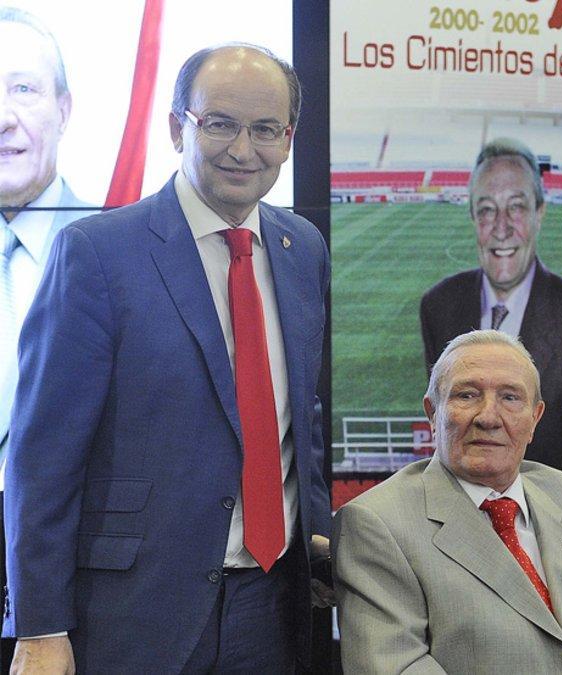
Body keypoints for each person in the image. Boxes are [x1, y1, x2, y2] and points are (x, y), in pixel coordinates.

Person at [3, 44, 333, 672]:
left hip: (273, 610)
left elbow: (299, 421)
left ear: (289, 140)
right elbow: (42, 458)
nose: (243, 149)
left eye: (265, 129)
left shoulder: (303, 248)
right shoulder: (96, 254)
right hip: (134, 614)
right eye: (220, 124)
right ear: (178, 125)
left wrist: (314, 541)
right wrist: (40, 626)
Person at [334, 329, 562, 673]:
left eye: (510, 398)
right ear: (433, 413)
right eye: (467, 395)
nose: (488, 417)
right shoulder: (376, 525)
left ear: (535, 418)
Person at [420, 137, 562, 488]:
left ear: (539, 213)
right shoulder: (439, 306)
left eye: (516, 207)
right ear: (472, 217)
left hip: (544, 533)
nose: (501, 226)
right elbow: (443, 427)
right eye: (486, 209)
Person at [0, 9, 95, 670]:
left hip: (80, 607)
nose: (1, 115)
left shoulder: (124, 258)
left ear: (64, 108)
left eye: (22, 89)